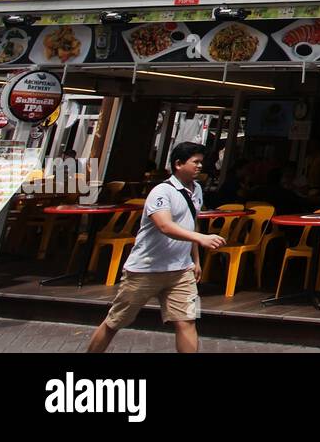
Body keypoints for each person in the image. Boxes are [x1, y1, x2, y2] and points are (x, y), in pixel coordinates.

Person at [86, 142, 225, 354]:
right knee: (115, 321)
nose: (199, 166)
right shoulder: (161, 191)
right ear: (178, 164)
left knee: (187, 321)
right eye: (195, 162)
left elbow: (191, 221)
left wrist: (195, 259)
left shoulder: (196, 190)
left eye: (200, 162)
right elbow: (164, 225)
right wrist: (202, 238)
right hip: (145, 270)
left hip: (181, 271)